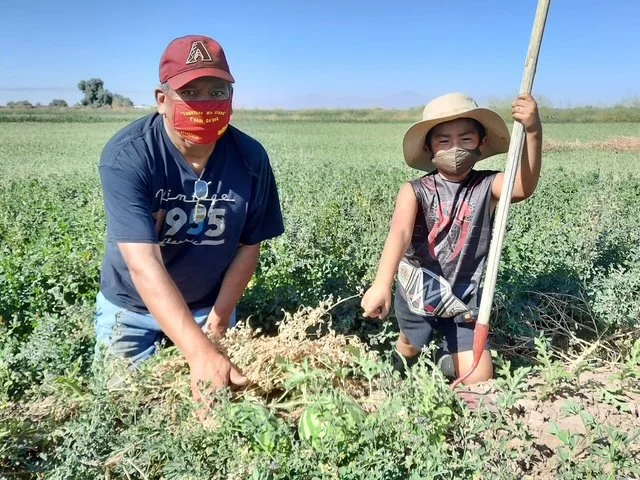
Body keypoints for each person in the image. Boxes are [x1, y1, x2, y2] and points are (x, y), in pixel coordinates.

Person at [94, 35, 284, 398]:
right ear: (162, 101)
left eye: (217, 92)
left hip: (207, 306)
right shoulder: (129, 156)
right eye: (191, 92)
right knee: (121, 405)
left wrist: (217, 322)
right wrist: (199, 353)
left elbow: (248, 246)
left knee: (220, 405)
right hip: (130, 307)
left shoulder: (250, 158)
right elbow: (143, 264)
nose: (206, 104)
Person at [361, 92, 542, 384]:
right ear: (429, 147)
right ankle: (398, 371)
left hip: (465, 297)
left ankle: (447, 354)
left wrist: (533, 131)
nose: (455, 148)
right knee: (410, 343)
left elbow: (522, 186)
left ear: (482, 143)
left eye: (466, 139)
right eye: (444, 141)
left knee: (479, 380)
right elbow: (400, 232)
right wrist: (382, 283)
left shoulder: (488, 185)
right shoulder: (415, 190)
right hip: (421, 290)